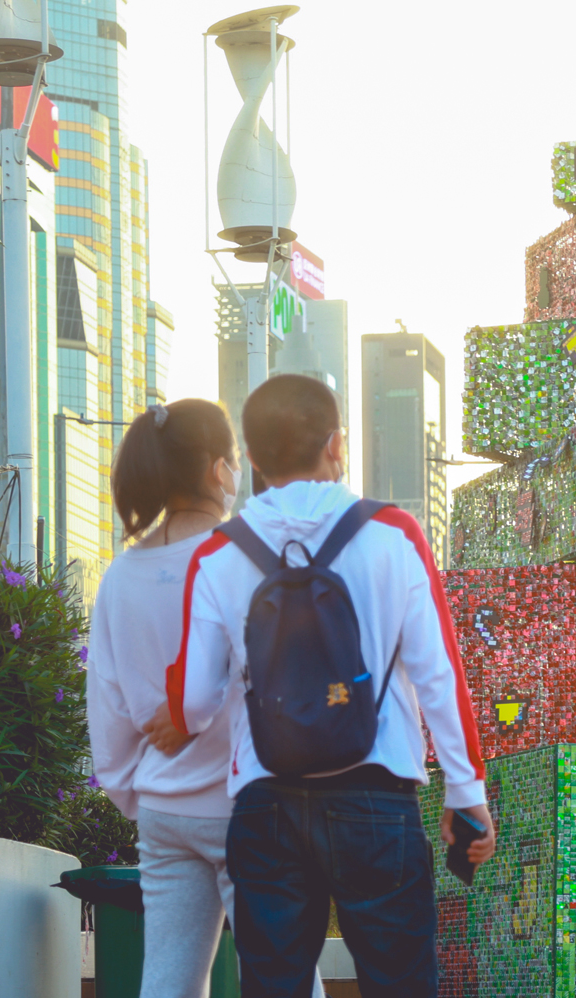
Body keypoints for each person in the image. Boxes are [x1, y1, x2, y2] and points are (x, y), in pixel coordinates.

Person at [157, 374, 492, 996]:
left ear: (252, 460)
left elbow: (195, 703)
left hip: (265, 809)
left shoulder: (217, 554)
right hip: (377, 799)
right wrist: (465, 793)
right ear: (336, 446)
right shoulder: (394, 534)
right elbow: (439, 671)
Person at [86, 399, 322, 998]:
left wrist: (141, 794)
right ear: (219, 470)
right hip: (252, 808)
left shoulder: (121, 577)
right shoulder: (254, 557)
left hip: (166, 811)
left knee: (167, 981)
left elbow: (109, 715)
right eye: (235, 459)